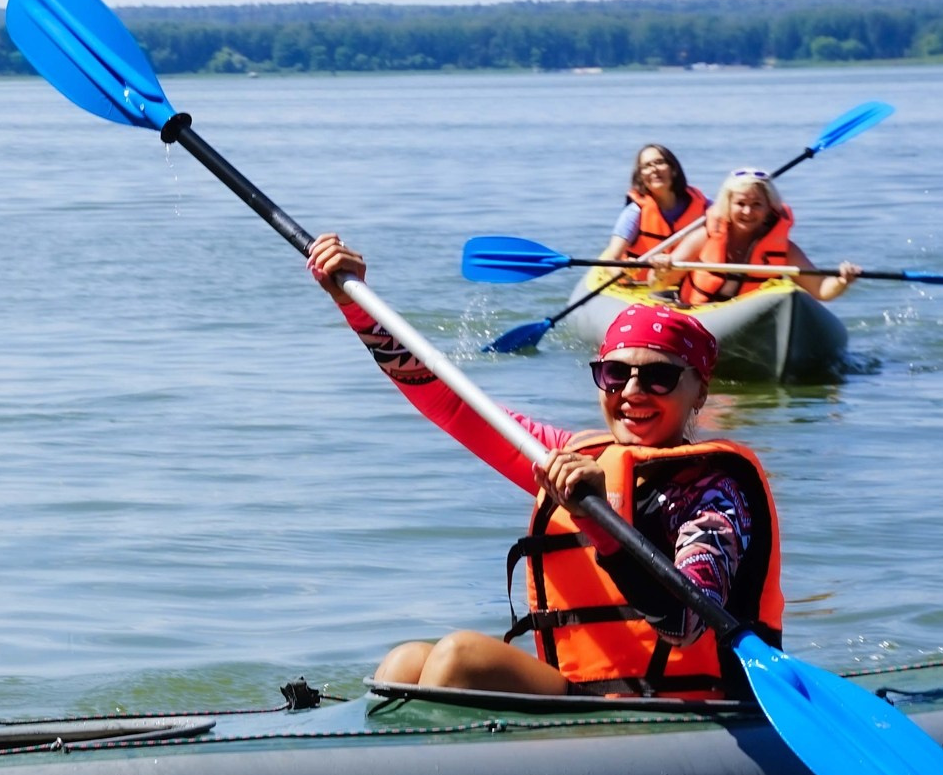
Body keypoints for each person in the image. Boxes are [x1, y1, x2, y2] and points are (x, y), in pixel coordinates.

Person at [309, 235, 784, 699]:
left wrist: (602, 526)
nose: (633, 391)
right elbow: (449, 402)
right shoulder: (571, 454)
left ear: (699, 391)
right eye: (616, 374)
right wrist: (354, 302)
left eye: (659, 376)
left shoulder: (716, 493)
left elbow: (684, 622)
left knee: (458, 657)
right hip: (588, 694)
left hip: (689, 709)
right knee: (404, 663)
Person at [656, 168, 856, 306]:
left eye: (757, 204)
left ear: (770, 209)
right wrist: (662, 269)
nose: (748, 211)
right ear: (728, 204)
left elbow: (821, 290)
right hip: (698, 311)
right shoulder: (703, 238)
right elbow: (657, 283)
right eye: (740, 203)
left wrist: (842, 281)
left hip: (750, 317)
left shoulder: (785, 250)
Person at [597, 143, 707, 281]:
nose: (654, 169)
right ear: (641, 176)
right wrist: (622, 271)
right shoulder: (635, 212)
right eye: (646, 166)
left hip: (688, 283)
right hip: (643, 284)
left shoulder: (702, 204)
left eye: (659, 162)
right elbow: (612, 259)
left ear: (673, 169)